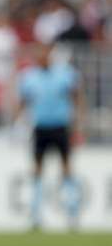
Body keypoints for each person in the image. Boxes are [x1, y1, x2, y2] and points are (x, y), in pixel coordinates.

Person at [16, 42, 84, 229]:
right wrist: (19, 124)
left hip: (61, 126)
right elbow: (23, 101)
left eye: (45, 53)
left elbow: (76, 97)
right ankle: (35, 216)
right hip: (41, 127)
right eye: (40, 53)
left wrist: (78, 122)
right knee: (37, 170)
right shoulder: (29, 77)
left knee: (67, 168)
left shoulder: (65, 74)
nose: (43, 57)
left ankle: (72, 213)